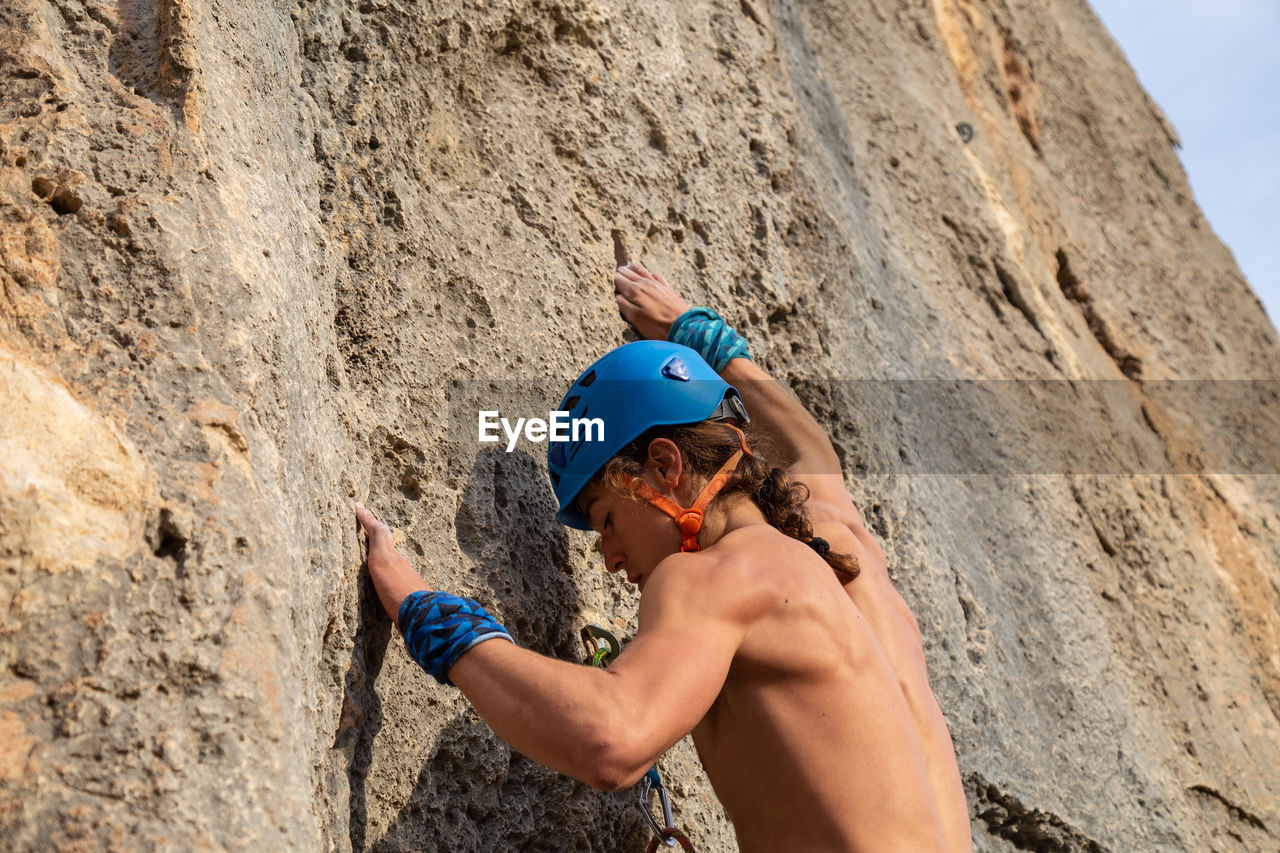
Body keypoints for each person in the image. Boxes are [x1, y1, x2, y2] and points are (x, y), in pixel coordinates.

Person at [354, 262, 972, 852]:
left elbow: (611, 741)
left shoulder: (714, 577)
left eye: (606, 519)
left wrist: (433, 619)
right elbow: (811, 450)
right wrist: (701, 341)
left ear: (665, 465)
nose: (611, 560)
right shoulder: (840, 548)